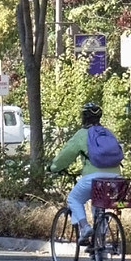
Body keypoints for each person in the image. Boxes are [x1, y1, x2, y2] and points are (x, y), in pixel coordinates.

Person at [48, 102, 123, 243]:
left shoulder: (82, 134)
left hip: (93, 178)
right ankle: (100, 242)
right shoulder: (107, 133)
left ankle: (84, 227)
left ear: (83, 117)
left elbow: (66, 155)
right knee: (98, 204)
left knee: (73, 199)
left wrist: (53, 167)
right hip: (115, 178)